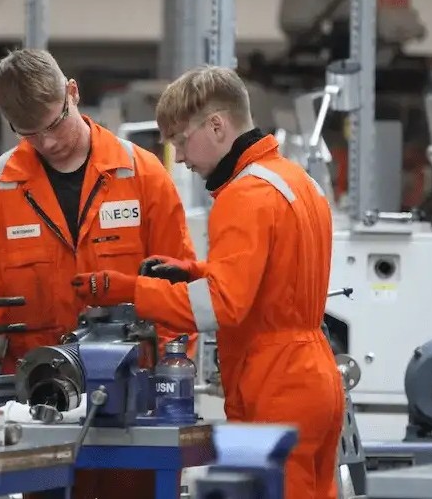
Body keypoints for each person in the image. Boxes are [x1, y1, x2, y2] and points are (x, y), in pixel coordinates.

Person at [71, 65, 345, 499]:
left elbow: (221, 307)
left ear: (216, 125)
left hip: (274, 381)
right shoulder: (296, 181)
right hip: (315, 374)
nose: (179, 157)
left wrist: (129, 290)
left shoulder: (243, 196)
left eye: (181, 140)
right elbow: (276, 281)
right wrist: (191, 273)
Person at [0, 48, 196, 499]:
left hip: (131, 405)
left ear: (73, 93)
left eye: (54, 124)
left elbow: (178, 290)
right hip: (39, 405)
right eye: (29, 133)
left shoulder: (142, 173)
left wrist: (172, 388)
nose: (46, 142)